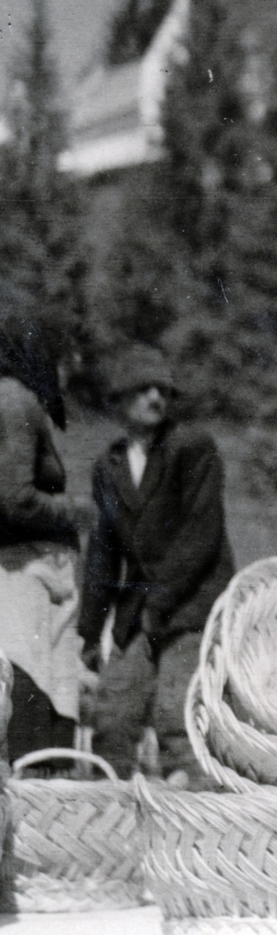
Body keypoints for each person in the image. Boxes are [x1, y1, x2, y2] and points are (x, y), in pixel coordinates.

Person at [79, 343, 233, 782]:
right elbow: (104, 553)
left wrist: (156, 607)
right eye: (142, 388)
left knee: (177, 718)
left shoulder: (193, 448)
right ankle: (107, 826)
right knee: (112, 717)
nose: (155, 398)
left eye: (161, 389)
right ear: (118, 399)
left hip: (193, 607)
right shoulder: (108, 467)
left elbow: (201, 538)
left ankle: (193, 829)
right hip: (141, 610)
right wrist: (91, 631)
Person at [0, 315, 82, 760]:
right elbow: (13, 498)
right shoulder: (15, 401)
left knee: (48, 695)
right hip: (22, 571)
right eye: (67, 366)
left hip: (34, 569)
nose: (68, 380)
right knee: (31, 690)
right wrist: (74, 510)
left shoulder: (19, 402)